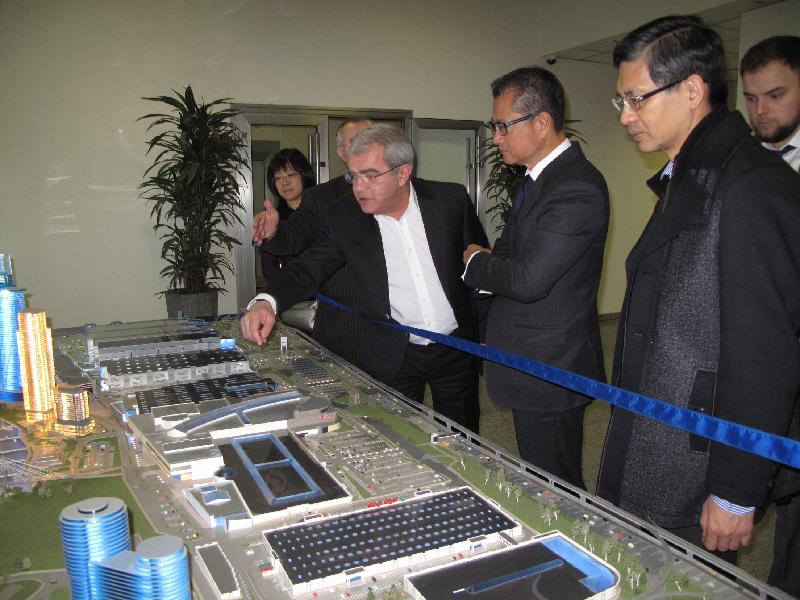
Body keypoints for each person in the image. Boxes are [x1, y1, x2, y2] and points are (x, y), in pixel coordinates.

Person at [596, 15, 800, 564]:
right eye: (621, 102)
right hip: (659, 435)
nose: (626, 116)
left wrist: (736, 490)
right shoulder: (692, 174)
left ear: (691, 90)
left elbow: (764, 355)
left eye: (636, 99)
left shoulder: (750, 184)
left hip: (699, 457)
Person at [242, 124, 486, 433]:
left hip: (455, 346)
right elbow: (308, 268)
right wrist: (267, 301)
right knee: (397, 434)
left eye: (370, 175)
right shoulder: (346, 216)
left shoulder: (449, 201)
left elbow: (479, 267)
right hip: (394, 349)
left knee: (463, 436)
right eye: (354, 176)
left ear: (403, 173)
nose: (359, 187)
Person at [461, 67, 608, 489]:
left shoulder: (575, 187)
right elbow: (513, 257)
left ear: (541, 122)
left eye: (503, 125)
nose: (496, 137)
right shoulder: (539, 180)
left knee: (557, 488)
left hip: (552, 366)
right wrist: (494, 264)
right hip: (533, 361)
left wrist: (476, 262)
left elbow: (527, 279)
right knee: (542, 478)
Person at [740, 35, 800, 596]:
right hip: (762, 353)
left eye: (776, 95)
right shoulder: (744, 167)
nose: (761, 110)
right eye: (752, 98)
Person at [251, 118, 372, 364]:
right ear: (341, 152)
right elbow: (295, 237)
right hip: (340, 321)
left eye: (370, 139)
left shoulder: (402, 188)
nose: (364, 146)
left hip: (400, 327)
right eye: (354, 141)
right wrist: (273, 233)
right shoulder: (322, 197)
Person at [258, 149, 315, 281]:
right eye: (278, 178)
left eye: (291, 175)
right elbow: (269, 270)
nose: (284, 182)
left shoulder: (323, 209)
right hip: (294, 290)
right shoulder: (274, 220)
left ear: (304, 175)